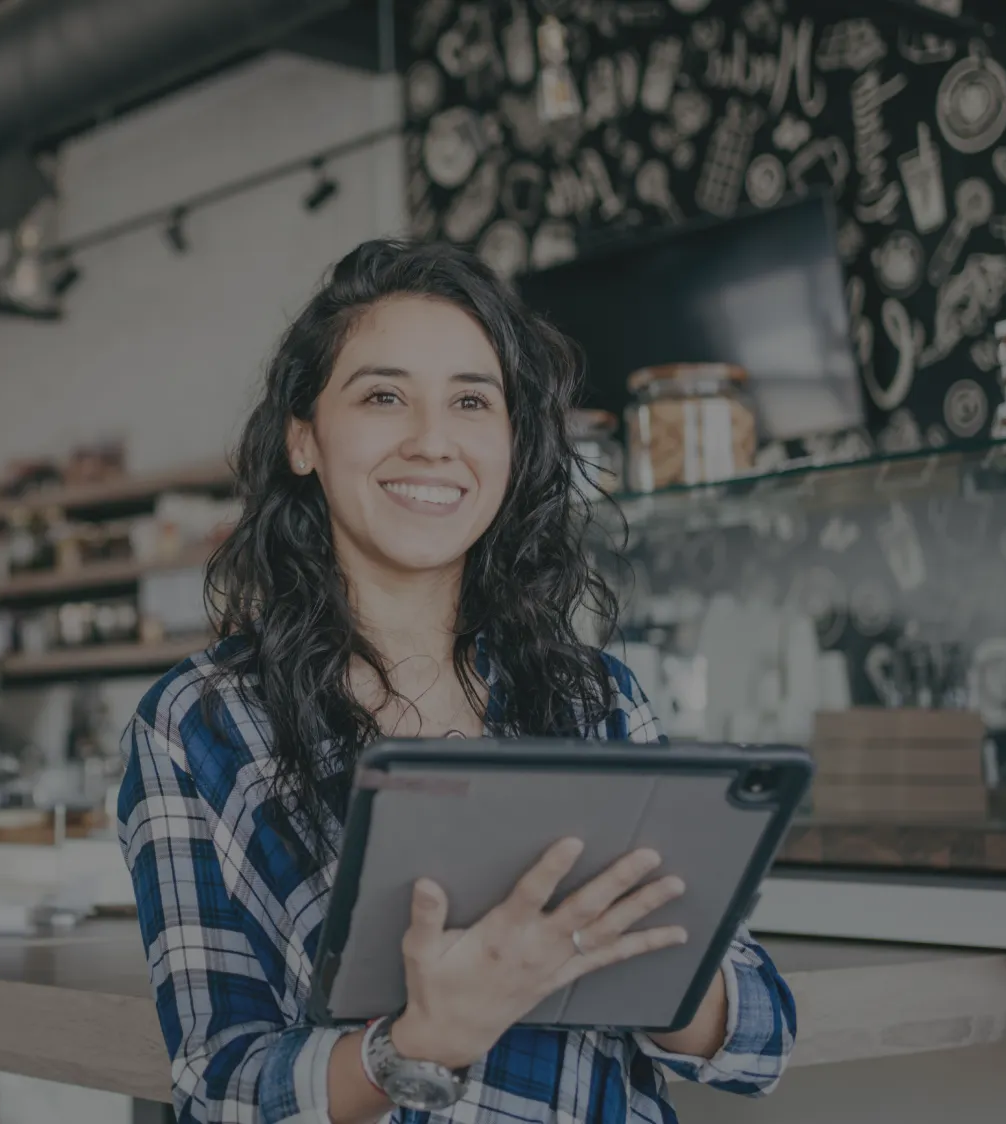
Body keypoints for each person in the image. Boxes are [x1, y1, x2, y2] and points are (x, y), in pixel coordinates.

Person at [117, 240, 794, 1124]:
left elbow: (763, 1041)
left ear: (511, 444)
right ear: (303, 437)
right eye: (383, 396)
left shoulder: (598, 699)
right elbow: (217, 1085)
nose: (433, 442)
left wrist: (647, 960)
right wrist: (416, 1043)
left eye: (472, 401)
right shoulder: (198, 724)